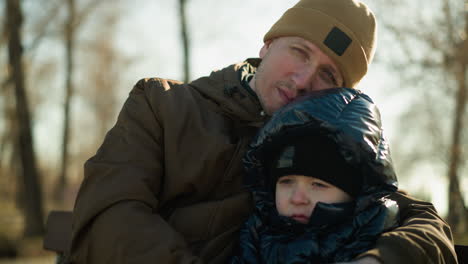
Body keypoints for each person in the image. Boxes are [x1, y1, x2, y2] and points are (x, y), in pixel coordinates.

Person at [68, 0, 458, 263]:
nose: (304, 80)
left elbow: (422, 221)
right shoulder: (162, 105)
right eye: (300, 52)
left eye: (328, 74)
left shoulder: (328, 152)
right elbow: (110, 213)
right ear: (268, 44)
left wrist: (379, 259)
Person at [230, 89, 401, 263]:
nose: (297, 198)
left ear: (356, 192)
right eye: (286, 181)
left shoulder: (374, 239)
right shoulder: (255, 235)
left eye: (319, 184)